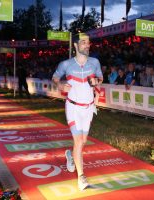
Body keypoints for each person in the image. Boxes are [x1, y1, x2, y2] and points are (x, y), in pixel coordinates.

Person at [52, 33, 103, 191]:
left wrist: (96, 82)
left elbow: (101, 78)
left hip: (88, 108)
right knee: (79, 142)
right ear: (75, 46)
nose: (87, 45)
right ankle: (82, 177)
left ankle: (70, 156)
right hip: (73, 107)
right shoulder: (66, 64)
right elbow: (54, 78)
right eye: (83, 42)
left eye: (88, 42)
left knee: (83, 142)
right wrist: (60, 85)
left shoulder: (95, 62)